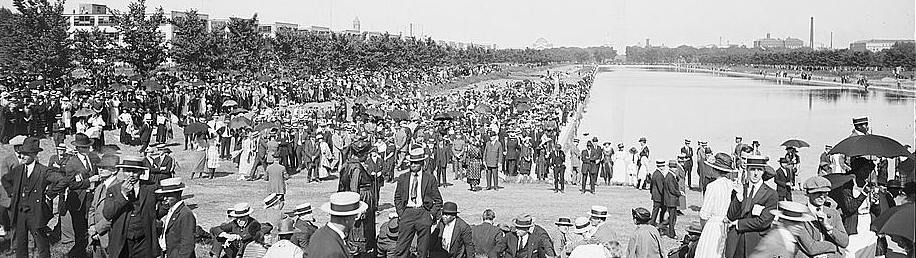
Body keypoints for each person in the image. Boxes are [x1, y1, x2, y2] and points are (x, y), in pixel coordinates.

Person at [2, 137, 67, 258]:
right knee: (20, 245)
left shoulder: (43, 171)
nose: (22, 156)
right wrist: (12, 193)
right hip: (20, 212)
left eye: (26, 154)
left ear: (34, 154)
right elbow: (5, 179)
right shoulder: (19, 169)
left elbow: (62, 180)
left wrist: (49, 194)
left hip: (36, 213)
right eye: (21, 153)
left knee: (42, 246)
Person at [103, 156, 162, 258]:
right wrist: (123, 195)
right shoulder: (114, 190)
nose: (131, 175)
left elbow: (166, 202)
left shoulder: (151, 188)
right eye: (128, 171)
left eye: (135, 172)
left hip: (144, 239)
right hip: (123, 239)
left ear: (140, 172)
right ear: (123, 171)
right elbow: (108, 214)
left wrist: (154, 216)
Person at [724, 155, 778, 258]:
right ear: (747, 170)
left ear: (763, 172)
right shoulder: (740, 189)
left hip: (757, 242)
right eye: (752, 169)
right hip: (736, 241)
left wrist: (739, 223)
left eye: (759, 170)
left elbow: (764, 222)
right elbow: (731, 215)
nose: (756, 173)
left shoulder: (771, 194)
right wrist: (738, 198)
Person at [394, 147, 444, 258]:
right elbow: (397, 197)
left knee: (423, 249)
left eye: (416, 163)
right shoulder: (403, 178)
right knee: (401, 248)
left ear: (422, 163)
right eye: (411, 163)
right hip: (407, 213)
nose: (413, 165)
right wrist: (401, 213)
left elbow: (438, 201)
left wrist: (431, 215)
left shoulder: (429, 178)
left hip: (423, 213)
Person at [62, 133, 103, 257]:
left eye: (88, 147)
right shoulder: (71, 163)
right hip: (78, 202)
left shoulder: (92, 158)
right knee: (80, 232)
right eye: (84, 147)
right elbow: (71, 184)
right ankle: (75, 254)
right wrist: (89, 181)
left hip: (91, 199)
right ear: (78, 148)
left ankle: (81, 253)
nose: (87, 149)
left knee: (90, 227)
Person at [694, 153, 737, 257]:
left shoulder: (712, 186)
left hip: (714, 225)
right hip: (727, 224)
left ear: (714, 170)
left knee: (710, 251)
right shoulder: (732, 184)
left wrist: (705, 227)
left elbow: (704, 214)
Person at [305, 191, 368, 257]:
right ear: (347, 219)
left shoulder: (318, 233)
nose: (355, 220)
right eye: (355, 217)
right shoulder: (335, 251)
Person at [749, 201, 821, 257]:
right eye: (793, 222)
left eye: (800, 222)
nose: (799, 226)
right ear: (783, 221)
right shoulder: (773, 241)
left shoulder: (788, 239)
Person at [800, 176, 849, 257]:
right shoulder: (800, 215)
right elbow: (811, 249)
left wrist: (828, 226)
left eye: (825, 193)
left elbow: (844, 242)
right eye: (817, 193)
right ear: (808, 194)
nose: (822, 196)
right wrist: (833, 247)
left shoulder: (833, 213)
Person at [87, 154, 120, 258]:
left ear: (114, 170)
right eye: (99, 167)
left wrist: (97, 229)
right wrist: (91, 227)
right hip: (95, 236)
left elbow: (114, 215)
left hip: (109, 235)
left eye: (104, 167)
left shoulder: (119, 188)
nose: (100, 170)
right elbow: (92, 208)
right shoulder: (100, 187)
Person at [156, 177, 197, 258]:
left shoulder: (185, 214)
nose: (164, 198)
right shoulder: (171, 211)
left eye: (168, 196)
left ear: (177, 194)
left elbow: (187, 244)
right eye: (163, 195)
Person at [663, 160, 682, 239]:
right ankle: (672, 234)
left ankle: (665, 228)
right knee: (672, 218)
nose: (675, 169)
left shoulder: (670, 176)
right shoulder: (670, 177)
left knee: (672, 218)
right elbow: (672, 189)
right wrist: (679, 193)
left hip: (671, 200)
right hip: (671, 200)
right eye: (674, 167)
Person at [649, 160, 667, 227]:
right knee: (657, 210)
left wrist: (651, 192)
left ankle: (654, 221)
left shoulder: (655, 173)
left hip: (655, 195)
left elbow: (651, 185)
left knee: (656, 210)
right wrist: (665, 195)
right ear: (661, 166)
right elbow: (660, 187)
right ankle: (653, 222)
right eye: (663, 166)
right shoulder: (659, 175)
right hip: (659, 196)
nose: (664, 167)